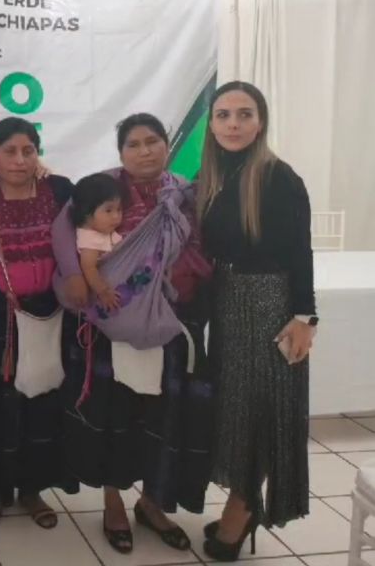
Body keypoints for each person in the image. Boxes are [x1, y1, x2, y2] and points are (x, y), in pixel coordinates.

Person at [52, 113, 214, 554]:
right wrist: (77, 277)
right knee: (115, 414)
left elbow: (204, 245)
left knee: (164, 416)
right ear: (121, 152)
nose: (145, 151)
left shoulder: (183, 193)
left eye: (153, 141)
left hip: (174, 319)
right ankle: (113, 504)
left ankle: (152, 504)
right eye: (134, 144)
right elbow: (63, 231)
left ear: (166, 144)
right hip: (115, 319)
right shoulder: (102, 187)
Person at [197, 81, 316, 561]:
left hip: (269, 305)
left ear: (260, 121)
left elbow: (301, 252)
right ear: (211, 124)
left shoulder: (278, 177)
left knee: (264, 412)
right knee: (237, 411)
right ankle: (242, 503)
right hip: (227, 303)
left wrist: (305, 316)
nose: (233, 124)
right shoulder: (212, 175)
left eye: (244, 114)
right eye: (223, 115)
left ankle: (240, 513)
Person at [0, 117, 75, 529]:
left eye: (28, 150)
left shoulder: (59, 191)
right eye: (9, 151)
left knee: (39, 403)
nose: (20, 160)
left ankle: (31, 490)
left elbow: (83, 238)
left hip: (45, 316)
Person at [72, 173, 124, 310]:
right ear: (86, 213)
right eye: (108, 210)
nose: (116, 216)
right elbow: (88, 268)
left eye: (119, 209)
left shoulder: (102, 230)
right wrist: (103, 292)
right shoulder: (89, 239)